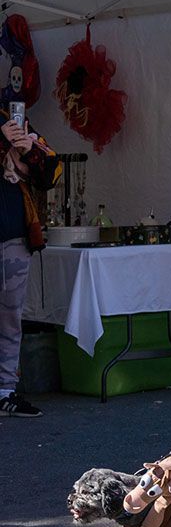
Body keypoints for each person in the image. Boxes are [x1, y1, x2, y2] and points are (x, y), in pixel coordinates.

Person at [0, 113, 59, 417]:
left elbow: (52, 171)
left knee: (10, 319)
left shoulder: (9, 116)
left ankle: (5, 391)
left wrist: (27, 149)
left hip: (14, 236)